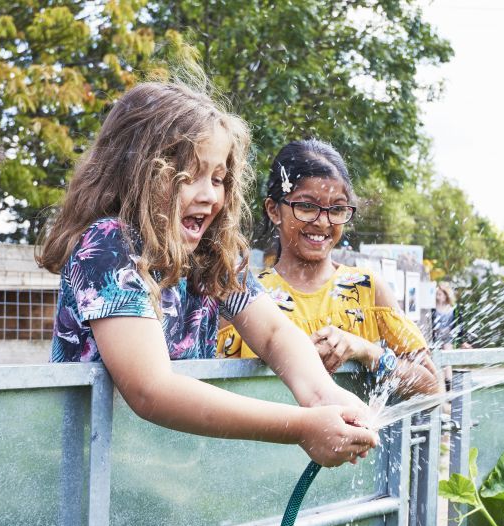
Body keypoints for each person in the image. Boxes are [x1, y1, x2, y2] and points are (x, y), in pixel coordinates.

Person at [37, 82, 378, 468]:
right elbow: (151, 389)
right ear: (135, 173)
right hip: (93, 480)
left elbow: (273, 333)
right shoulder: (111, 247)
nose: (210, 196)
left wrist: (323, 395)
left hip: (169, 478)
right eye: (188, 176)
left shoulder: (209, 257)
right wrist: (300, 426)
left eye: (218, 178)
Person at [217, 139, 441, 398]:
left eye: (337, 209)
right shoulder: (244, 295)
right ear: (274, 210)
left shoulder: (367, 289)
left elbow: (431, 388)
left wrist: (366, 351)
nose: (323, 222)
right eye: (306, 206)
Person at [432, 282, 471, 391]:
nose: (437, 296)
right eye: (437, 294)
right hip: (435, 338)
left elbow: (460, 325)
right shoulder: (433, 308)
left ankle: (449, 387)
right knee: (435, 363)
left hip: (447, 338)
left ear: (445, 295)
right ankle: (438, 387)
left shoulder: (452, 309)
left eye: (440, 294)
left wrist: (463, 341)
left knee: (447, 362)